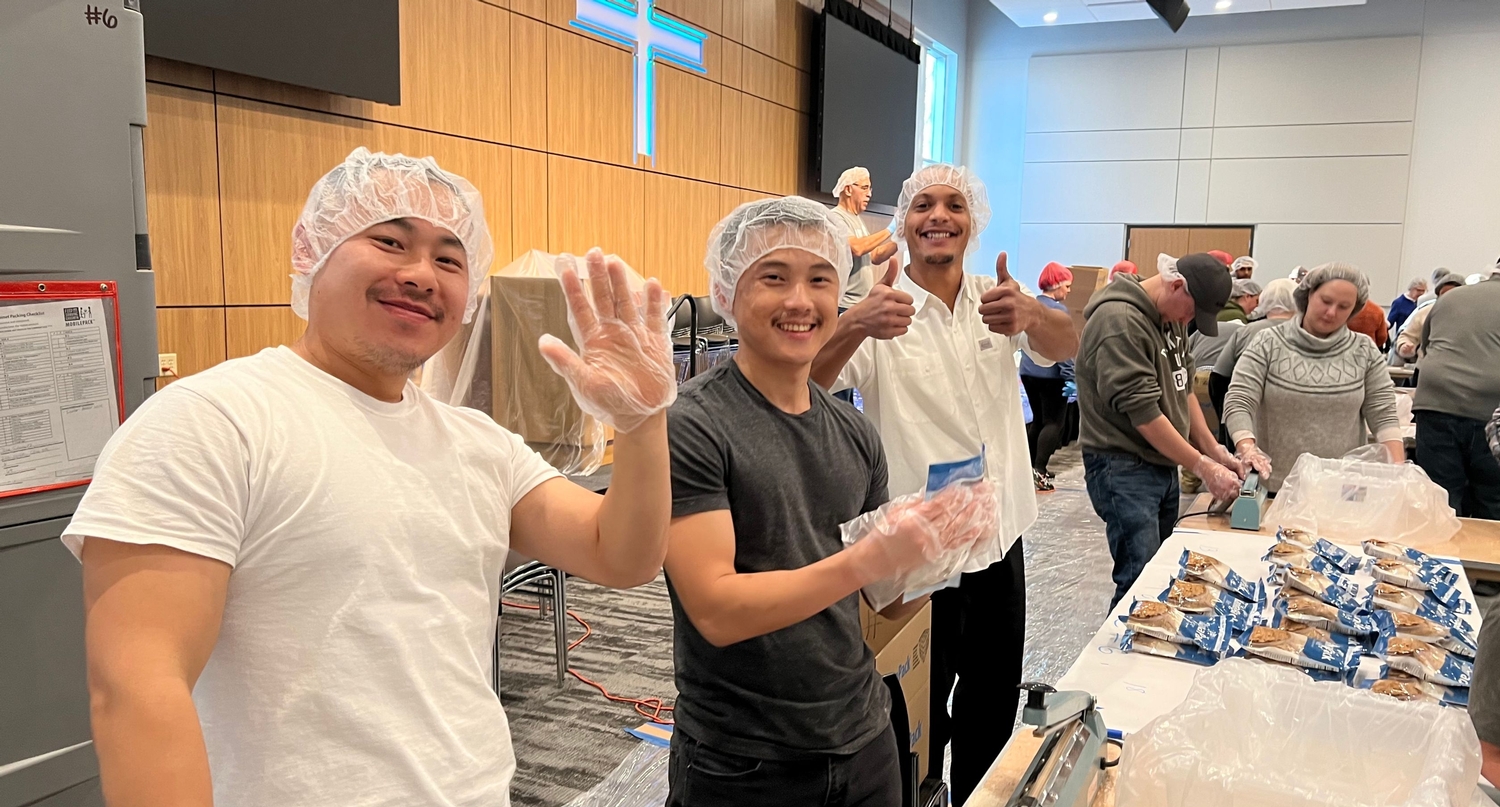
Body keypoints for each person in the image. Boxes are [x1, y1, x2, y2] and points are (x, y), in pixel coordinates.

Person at [68, 148, 680, 807]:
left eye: (449, 258)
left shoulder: (476, 443)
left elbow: (619, 556)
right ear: (313, 248)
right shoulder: (212, 422)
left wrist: (642, 422)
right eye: (390, 240)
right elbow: (135, 688)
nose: (420, 275)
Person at [663, 196, 996, 807]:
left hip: (862, 736)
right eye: (774, 277)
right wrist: (869, 560)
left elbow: (885, 603)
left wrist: (939, 547)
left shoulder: (852, 433)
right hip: (745, 759)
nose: (800, 301)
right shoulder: (695, 424)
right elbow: (716, 609)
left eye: (820, 279)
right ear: (727, 291)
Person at [811, 164, 1078, 805]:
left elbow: (1070, 342)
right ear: (903, 222)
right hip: (921, 553)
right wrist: (852, 323)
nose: (938, 215)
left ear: (972, 222)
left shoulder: (998, 300)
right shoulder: (883, 309)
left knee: (992, 700)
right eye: (923, 205)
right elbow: (809, 386)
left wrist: (1034, 318)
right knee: (913, 710)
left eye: (953, 205)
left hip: (1000, 540)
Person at [1076, 252, 1243, 608]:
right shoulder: (1119, 321)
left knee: (1159, 573)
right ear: (1176, 285)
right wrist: (1201, 466)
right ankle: (1119, 659)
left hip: (1160, 459)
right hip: (1123, 465)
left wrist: (1215, 451)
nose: (1191, 321)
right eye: (1192, 312)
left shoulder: (1171, 318)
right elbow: (1144, 414)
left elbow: (1183, 390)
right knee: (1139, 580)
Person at [1221, 263, 1403, 493]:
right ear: (1307, 295)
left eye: (1343, 307)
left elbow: (1383, 412)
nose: (1331, 313)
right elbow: (1239, 400)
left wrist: (1398, 471)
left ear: (1354, 310)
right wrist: (1247, 447)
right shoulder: (1268, 342)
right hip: (1275, 488)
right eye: (1325, 301)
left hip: (1341, 490)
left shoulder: (1364, 350)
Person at [1411, 274, 1500, 519]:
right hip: (1491, 410)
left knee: (1440, 500)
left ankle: (1439, 557)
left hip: (1435, 401)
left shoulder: (1451, 298)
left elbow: (1425, 347)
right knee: (1492, 502)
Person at [1020, 261, 1078, 490]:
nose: (1069, 290)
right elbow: (1061, 349)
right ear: (1056, 285)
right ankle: (1039, 470)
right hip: (1052, 376)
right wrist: (1071, 377)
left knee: (1038, 421)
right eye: (1067, 285)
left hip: (1028, 372)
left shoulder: (1031, 305)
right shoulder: (1058, 311)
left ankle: (1028, 468)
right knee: (1054, 423)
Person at [1208, 278, 1298, 422]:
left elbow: (1218, 378)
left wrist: (1226, 417)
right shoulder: (1308, 335)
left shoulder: (1245, 332)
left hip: (1245, 417)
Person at [830, 167, 899, 312]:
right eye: (865, 188)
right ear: (848, 189)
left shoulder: (857, 219)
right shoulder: (836, 217)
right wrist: (890, 229)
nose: (869, 194)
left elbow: (874, 256)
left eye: (870, 190)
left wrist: (901, 238)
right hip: (843, 305)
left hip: (860, 303)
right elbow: (857, 248)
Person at [1394, 271, 1465, 364]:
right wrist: (1405, 346)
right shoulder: (1425, 312)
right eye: (1444, 295)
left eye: (1453, 294)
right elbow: (1406, 336)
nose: (1447, 299)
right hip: (1427, 367)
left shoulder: (1472, 316)